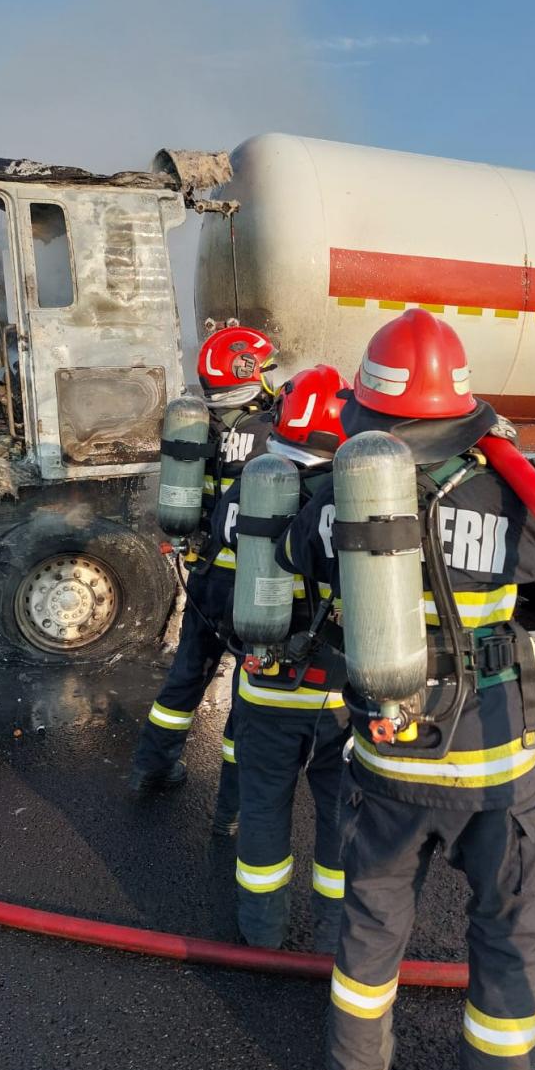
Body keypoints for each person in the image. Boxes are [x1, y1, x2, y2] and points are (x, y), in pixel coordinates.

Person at [278, 309, 535, 1070]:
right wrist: (505, 450)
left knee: (367, 934)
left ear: (365, 411)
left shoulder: (335, 492)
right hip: (495, 771)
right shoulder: (503, 488)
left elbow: (300, 558)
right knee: (509, 945)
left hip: (384, 761)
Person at [211, 364, 351, 954]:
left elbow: (221, 538)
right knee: (341, 819)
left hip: (264, 687)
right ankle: (334, 939)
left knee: (264, 811)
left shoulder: (252, 485)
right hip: (340, 696)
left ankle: (261, 933)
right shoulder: (353, 494)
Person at [127, 322, 278, 819]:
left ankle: (153, 763)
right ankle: (231, 803)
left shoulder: (201, 426)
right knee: (248, 692)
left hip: (206, 576)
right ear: (247, 370)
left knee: (187, 674)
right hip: (252, 583)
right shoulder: (271, 430)